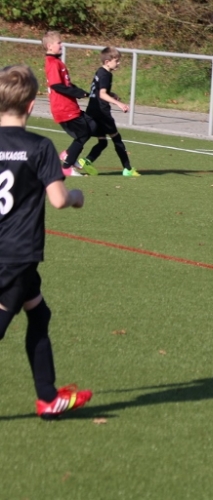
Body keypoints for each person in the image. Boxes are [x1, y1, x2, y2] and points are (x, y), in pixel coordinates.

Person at [0, 65, 92, 419]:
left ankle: (48, 397)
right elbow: (58, 199)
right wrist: (76, 196)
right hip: (17, 252)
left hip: (11, 253)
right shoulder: (39, 147)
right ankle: (48, 398)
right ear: (30, 106)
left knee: (39, 312)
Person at [42, 31, 97, 177]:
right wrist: (76, 93)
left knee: (92, 126)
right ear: (50, 46)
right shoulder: (52, 63)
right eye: (59, 43)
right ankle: (67, 166)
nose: (61, 45)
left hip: (71, 106)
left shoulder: (58, 62)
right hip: (63, 108)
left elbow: (66, 84)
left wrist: (81, 91)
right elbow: (56, 85)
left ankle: (68, 154)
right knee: (82, 135)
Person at [80, 47, 140, 177]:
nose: (118, 63)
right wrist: (119, 103)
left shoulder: (99, 71)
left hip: (92, 110)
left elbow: (98, 91)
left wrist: (111, 94)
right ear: (107, 62)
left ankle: (87, 161)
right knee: (117, 139)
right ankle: (127, 169)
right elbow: (102, 94)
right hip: (102, 113)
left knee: (103, 142)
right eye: (116, 61)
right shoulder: (106, 75)